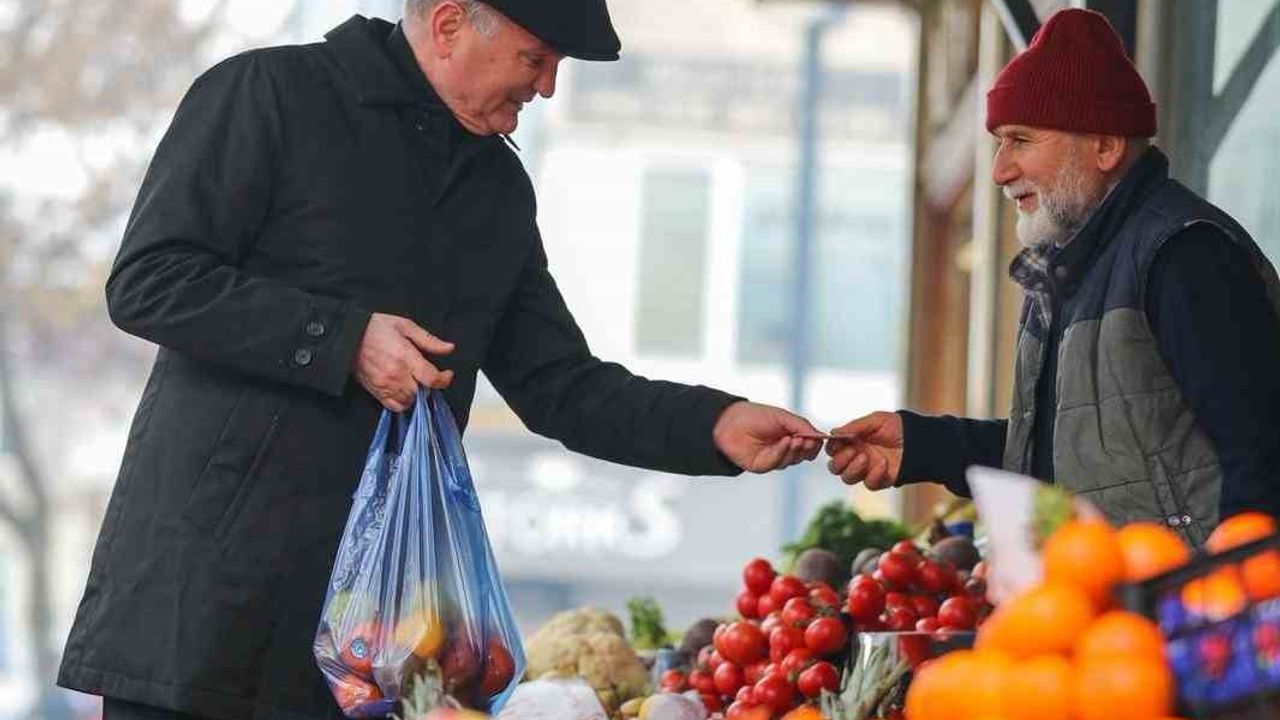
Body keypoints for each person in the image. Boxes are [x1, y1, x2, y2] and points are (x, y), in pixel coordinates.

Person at [56, 2, 823, 718]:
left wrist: (715, 424)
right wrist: (345, 338)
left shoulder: (496, 188)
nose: (548, 87)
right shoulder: (269, 94)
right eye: (537, 57)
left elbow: (561, 387)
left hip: (379, 646)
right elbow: (150, 281)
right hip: (204, 620)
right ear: (452, 24)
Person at [824, 9, 1280, 541]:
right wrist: (923, 444)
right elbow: (1057, 459)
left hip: (1181, 613)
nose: (998, 170)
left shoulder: (1185, 257)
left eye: (1020, 140)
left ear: (1105, 147)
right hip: (1104, 607)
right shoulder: (1071, 272)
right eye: (998, 142)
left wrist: (1221, 609)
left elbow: (1262, 460)